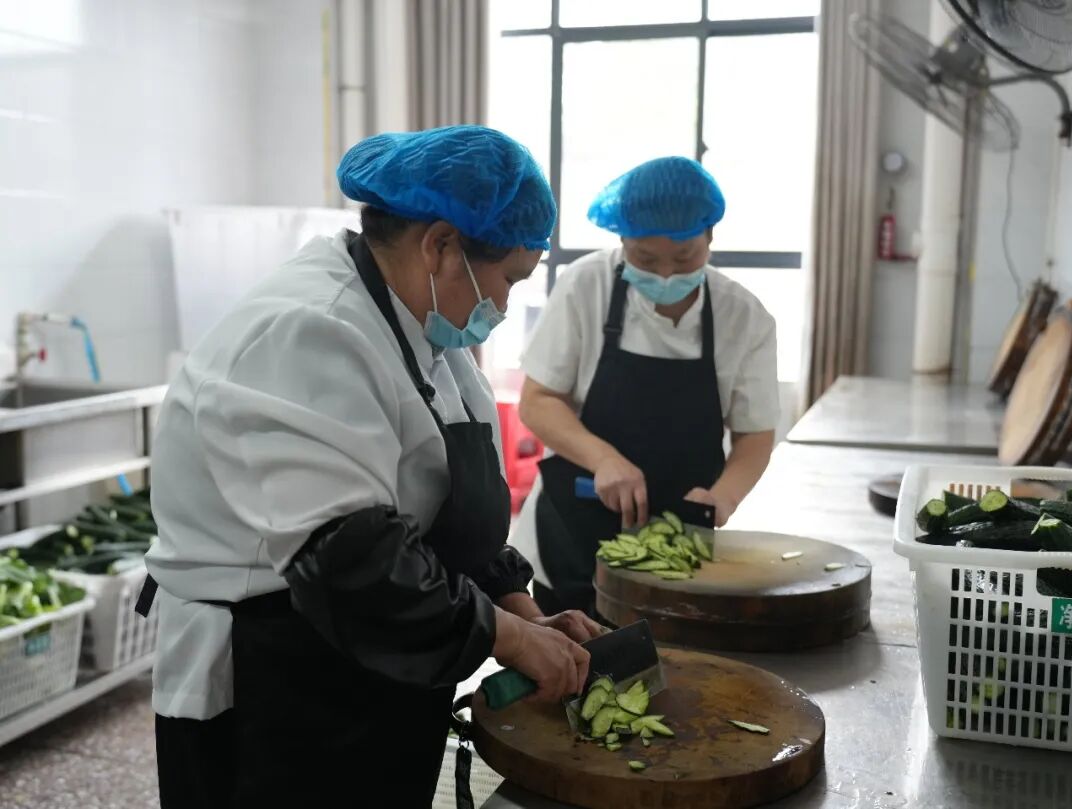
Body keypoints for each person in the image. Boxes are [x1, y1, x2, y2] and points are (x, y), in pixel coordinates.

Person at [139, 125, 604, 808]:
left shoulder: (421, 326)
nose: (505, 306)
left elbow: (441, 503)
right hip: (275, 680)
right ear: (440, 245)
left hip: (372, 656)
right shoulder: (310, 330)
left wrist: (518, 606)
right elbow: (351, 561)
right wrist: (504, 638)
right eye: (508, 279)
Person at [511, 156, 779, 618]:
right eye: (646, 259)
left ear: (710, 237)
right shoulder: (586, 286)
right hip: (572, 530)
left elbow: (754, 434)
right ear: (622, 241)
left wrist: (724, 497)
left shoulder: (744, 316)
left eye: (684, 257)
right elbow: (538, 401)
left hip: (681, 542)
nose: (666, 275)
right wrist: (604, 459)